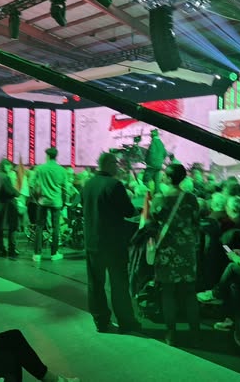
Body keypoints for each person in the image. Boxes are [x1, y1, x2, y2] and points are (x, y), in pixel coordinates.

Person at [82, 152, 140, 333]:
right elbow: (128, 211)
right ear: (108, 164)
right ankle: (126, 321)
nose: (118, 167)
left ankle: (100, 321)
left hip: (92, 242)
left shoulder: (88, 184)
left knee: (95, 284)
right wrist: (138, 208)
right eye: (116, 163)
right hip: (113, 245)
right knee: (119, 284)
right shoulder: (115, 185)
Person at [147, 163, 200, 346]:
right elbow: (196, 222)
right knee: (189, 291)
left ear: (169, 178)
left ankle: (171, 333)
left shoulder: (159, 199)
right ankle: (195, 331)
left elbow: (151, 223)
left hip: (166, 251)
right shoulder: (191, 198)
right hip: (186, 250)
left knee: (168, 292)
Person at [32, 147, 67, 262]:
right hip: (56, 202)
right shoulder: (62, 170)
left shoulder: (40, 168)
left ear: (47, 156)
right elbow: (65, 188)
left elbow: (31, 184)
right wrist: (64, 201)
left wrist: (36, 197)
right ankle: (54, 253)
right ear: (56, 156)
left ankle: (37, 254)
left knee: (39, 226)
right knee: (56, 227)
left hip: (42, 201)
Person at [0, 159, 20, 258]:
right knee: (12, 227)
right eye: (8, 165)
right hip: (7, 206)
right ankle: (12, 250)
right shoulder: (5, 177)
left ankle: (1, 249)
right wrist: (17, 193)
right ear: (3, 166)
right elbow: (9, 191)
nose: (10, 167)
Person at [143, 129, 167, 194]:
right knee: (156, 181)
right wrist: (160, 160)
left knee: (145, 180)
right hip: (159, 165)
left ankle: (147, 195)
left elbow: (151, 152)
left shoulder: (153, 142)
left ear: (153, 134)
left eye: (151, 134)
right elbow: (165, 153)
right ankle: (157, 194)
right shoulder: (161, 143)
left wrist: (147, 161)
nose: (150, 135)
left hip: (152, 165)